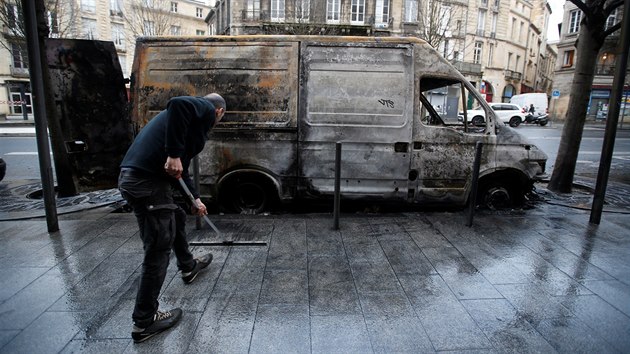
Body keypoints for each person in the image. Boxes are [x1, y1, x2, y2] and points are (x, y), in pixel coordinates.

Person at [118, 93, 226, 343]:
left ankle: (188, 266)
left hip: (143, 181)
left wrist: (194, 200)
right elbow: (178, 103)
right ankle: (144, 322)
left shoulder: (185, 127)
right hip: (146, 183)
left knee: (175, 215)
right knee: (157, 250)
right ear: (219, 112)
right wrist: (174, 154)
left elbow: (179, 173)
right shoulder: (204, 108)